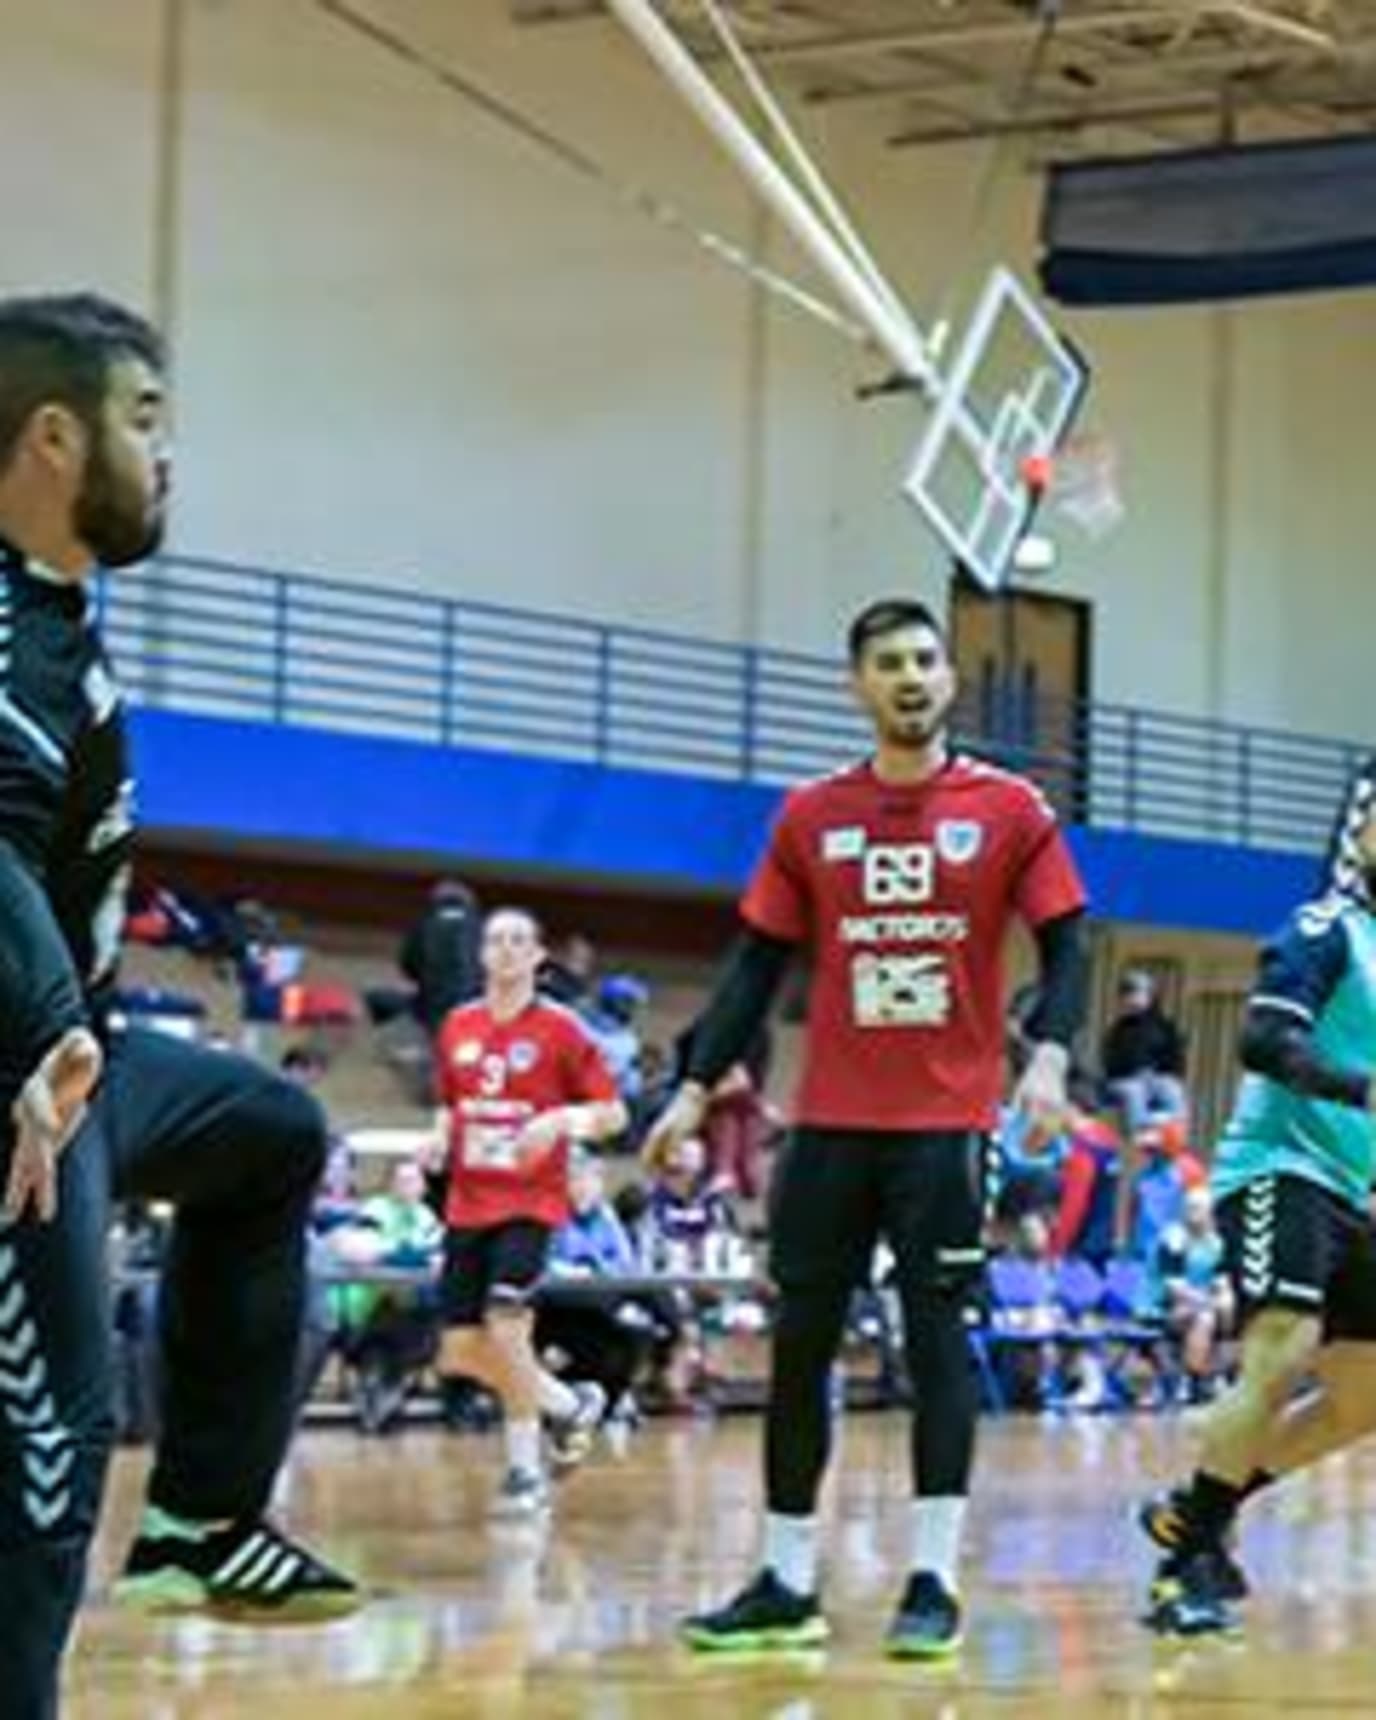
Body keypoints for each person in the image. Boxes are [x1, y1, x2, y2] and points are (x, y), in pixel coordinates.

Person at [0, 293, 357, 1719]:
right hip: (25, 1087)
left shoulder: (59, 621)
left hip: (78, 1058)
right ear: (50, 435)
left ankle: (202, 1520)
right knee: (45, 1455)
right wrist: (39, 1031)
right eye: (145, 422)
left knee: (268, 1134)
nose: (168, 456)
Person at [647, 597, 1088, 1658]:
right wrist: (693, 1087)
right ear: (856, 683)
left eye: (925, 661)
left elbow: (1069, 942)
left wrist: (1050, 1054)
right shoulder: (808, 815)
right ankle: (784, 1580)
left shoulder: (1008, 808)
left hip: (942, 1128)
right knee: (799, 1348)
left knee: (936, 1344)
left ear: (946, 680)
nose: (909, 677)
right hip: (831, 1125)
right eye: (887, 662)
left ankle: (931, 1577)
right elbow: (755, 965)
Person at [1140, 757, 1376, 1635]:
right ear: (1361, 826)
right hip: (1278, 1168)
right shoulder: (1325, 928)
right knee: (1282, 1352)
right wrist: (1362, 1092)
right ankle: (1182, 1567)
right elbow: (1267, 1040)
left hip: (1351, 1187)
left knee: (1364, 1394)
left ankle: (1192, 1510)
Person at [433, 907, 628, 1518]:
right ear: (483, 954)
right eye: (497, 940)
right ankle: (571, 1407)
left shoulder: (563, 1030)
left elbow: (614, 1113)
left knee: (508, 1327)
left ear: (539, 957)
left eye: (521, 940)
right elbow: (451, 1102)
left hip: (529, 1203)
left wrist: (561, 1120)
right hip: (467, 1204)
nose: (508, 950)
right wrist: (437, 1137)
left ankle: (522, 1471)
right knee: (460, 1352)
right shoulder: (457, 1025)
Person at [1102, 968, 1186, 1131]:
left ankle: (1177, 1134)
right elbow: (1111, 1062)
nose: (1131, 999)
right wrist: (1134, 1073)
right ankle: (1140, 1135)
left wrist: (1163, 1074)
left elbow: (1175, 1057)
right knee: (1134, 1091)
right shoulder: (1119, 1029)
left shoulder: (1164, 1026)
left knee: (1172, 1089)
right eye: (1127, 994)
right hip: (1126, 1079)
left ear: (1149, 995)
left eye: (1136, 993)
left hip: (1155, 1077)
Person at [400, 877, 482, 1035]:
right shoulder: (481, 928)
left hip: (433, 1002)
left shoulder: (423, 925)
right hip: (473, 1003)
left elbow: (408, 964)